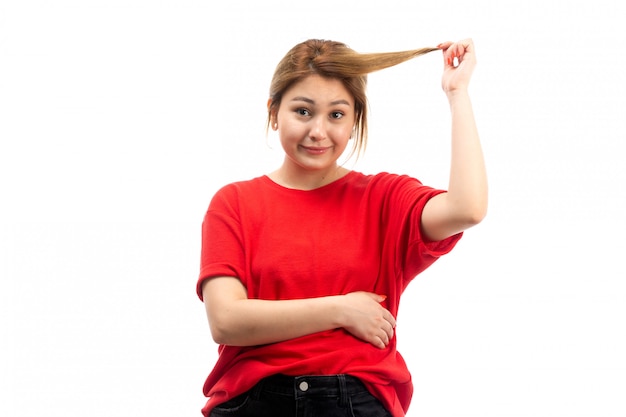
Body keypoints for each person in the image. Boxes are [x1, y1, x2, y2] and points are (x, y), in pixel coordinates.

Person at [196, 38, 487, 417]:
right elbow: (226, 321)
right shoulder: (234, 203)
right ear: (273, 113)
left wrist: (457, 93)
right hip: (255, 402)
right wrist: (341, 310)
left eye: (336, 115)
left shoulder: (384, 198)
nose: (318, 131)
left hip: (355, 402)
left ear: (354, 122)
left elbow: (468, 208)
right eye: (303, 111)